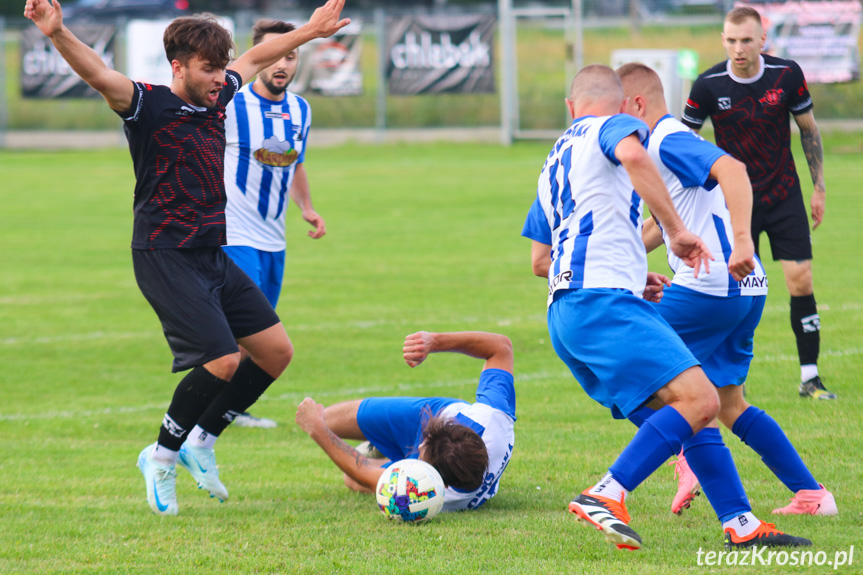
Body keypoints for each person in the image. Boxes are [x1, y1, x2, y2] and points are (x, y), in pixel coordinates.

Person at [24, 0, 350, 516]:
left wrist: (309, 31)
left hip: (209, 252)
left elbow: (260, 52)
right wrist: (58, 32)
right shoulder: (146, 104)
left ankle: (202, 441)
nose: (222, 76)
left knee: (275, 352)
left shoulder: (220, 97)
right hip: (163, 253)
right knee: (221, 361)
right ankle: (160, 455)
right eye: (209, 68)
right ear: (179, 66)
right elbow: (98, 73)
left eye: (223, 67)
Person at [521, 65, 810, 550]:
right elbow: (634, 152)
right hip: (603, 304)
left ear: (570, 107)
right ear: (623, 105)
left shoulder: (552, 164)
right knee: (702, 401)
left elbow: (540, 260)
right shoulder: (612, 127)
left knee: (689, 409)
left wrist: (633, 275)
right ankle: (606, 493)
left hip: (568, 315)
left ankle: (740, 524)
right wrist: (676, 231)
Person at [616, 62, 837, 520]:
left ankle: (686, 459)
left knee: (625, 365)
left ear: (636, 104)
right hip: (744, 285)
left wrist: (741, 240)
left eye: (615, 109)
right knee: (730, 403)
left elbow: (734, 170)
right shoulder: (663, 145)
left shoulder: (664, 138)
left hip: (711, 285)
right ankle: (812, 494)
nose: (610, 123)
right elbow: (664, 224)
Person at [681, 6, 834, 400]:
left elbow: (808, 130)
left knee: (801, 280)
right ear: (723, 42)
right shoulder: (707, 85)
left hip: (784, 195)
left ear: (762, 40)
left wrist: (818, 187)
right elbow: (681, 145)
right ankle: (723, 381)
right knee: (732, 290)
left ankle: (810, 378)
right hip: (732, 204)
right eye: (731, 41)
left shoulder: (786, 75)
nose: (738, 49)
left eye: (746, 40)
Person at [223, 18, 328, 430]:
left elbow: (294, 163)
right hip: (233, 235)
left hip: (274, 239)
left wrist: (306, 206)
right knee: (244, 329)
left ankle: (231, 409)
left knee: (259, 331)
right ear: (257, 58)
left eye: (291, 54)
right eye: (275, 54)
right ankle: (210, 408)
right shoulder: (231, 105)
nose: (283, 63)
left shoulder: (301, 109)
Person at [295, 330, 515, 512]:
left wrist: (317, 430)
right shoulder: (494, 418)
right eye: (425, 441)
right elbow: (501, 347)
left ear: (438, 481)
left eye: (422, 450)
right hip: (436, 412)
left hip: (433, 460)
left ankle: (383, 451)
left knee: (350, 479)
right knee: (330, 419)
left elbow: (363, 473)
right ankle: (382, 446)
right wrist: (434, 341)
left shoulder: (429, 492)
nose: (419, 444)